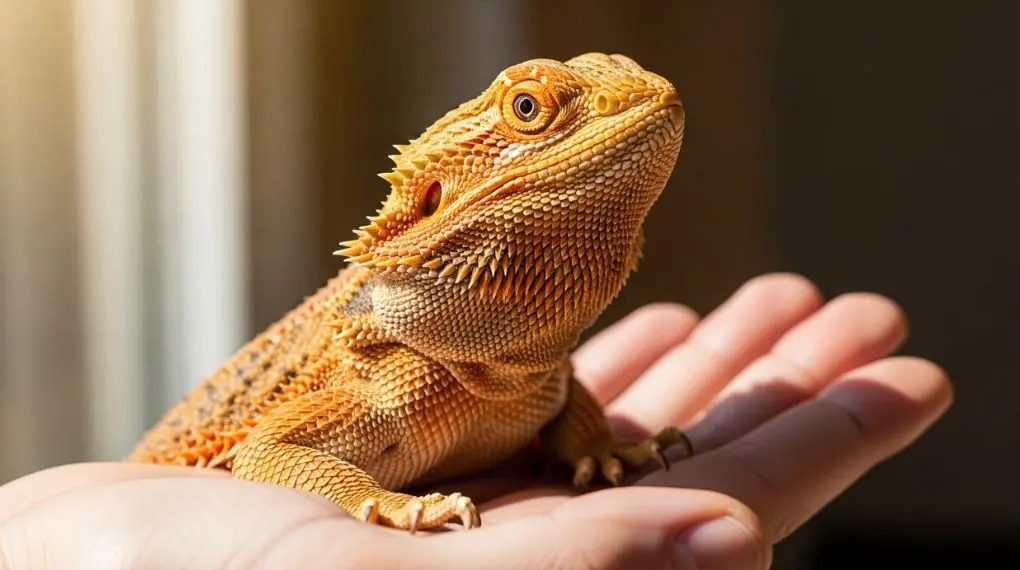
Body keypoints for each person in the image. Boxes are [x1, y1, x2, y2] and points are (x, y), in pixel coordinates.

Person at [0, 274, 952, 570]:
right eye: (534, 114)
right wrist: (369, 503)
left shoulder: (523, 366)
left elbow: (557, 398)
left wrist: (593, 447)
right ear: (432, 197)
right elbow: (269, 451)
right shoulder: (378, 366)